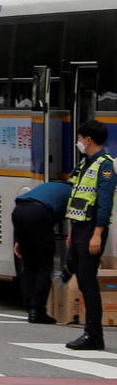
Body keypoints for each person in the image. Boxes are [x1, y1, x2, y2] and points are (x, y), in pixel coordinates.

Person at [64, 120, 116, 350]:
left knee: (87, 281)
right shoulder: (86, 163)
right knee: (75, 269)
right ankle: (92, 334)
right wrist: (72, 231)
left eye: (79, 138)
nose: (78, 142)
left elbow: (104, 204)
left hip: (92, 229)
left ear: (88, 139)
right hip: (79, 228)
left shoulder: (105, 166)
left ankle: (94, 335)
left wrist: (97, 234)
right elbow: (78, 198)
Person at [13, 179, 72, 324]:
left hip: (19, 211)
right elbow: (75, 218)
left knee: (29, 264)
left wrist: (17, 239)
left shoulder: (51, 186)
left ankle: (29, 307)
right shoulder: (74, 193)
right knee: (45, 266)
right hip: (39, 213)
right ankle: (37, 310)